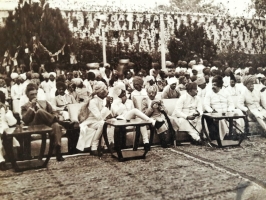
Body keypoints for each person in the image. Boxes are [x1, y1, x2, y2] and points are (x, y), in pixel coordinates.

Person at [21, 83, 70, 161]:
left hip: (47, 124)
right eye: (31, 95)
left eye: (35, 94)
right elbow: (25, 120)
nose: (34, 96)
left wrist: (56, 115)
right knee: (40, 111)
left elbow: (53, 112)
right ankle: (62, 123)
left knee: (56, 125)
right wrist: (32, 107)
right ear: (27, 95)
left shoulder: (44, 102)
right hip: (34, 125)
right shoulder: (25, 106)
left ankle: (58, 151)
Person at [111, 84, 165, 150]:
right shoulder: (115, 102)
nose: (124, 93)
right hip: (121, 119)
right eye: (122, 92)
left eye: (124, 92)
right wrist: (122, 102)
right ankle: (152, 121)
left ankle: (146, 143)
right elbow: (116, 113)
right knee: (135, 110)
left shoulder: (130, 101)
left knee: (141, 120)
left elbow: (135, 113)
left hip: (130, 119)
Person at [77, 81, 113, 155]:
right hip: (90, 122)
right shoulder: (93, 101)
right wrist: (106, 105)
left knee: (112, 121)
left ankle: (108, 146)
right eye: (105, 91)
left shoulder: (103, 100)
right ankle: (94, 147)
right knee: (102, 123)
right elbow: (99, 117)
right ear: (100, 92)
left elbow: (109, 115)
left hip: (97, 121)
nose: (107, 92)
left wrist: (109, 105)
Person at [204, 76, 245, 141]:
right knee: (221, 119)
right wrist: (211, 111)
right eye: (212, 84)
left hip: (227, 111)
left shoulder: (226, 92)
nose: (213, 87)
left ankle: (239, 133)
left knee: (238, 112)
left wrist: (229, 111)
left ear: (219, 86)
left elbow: (231, 104)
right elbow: (206, 105)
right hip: (216, 112)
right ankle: (227, 135)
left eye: (215, 85)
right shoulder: (209, 93)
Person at [0, 91, 19, 170]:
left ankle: (5, 161)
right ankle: (1, 162)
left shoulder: (6, 110)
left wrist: (7, 111)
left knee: (6, 135)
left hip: (5, 131)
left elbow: (13, 122)